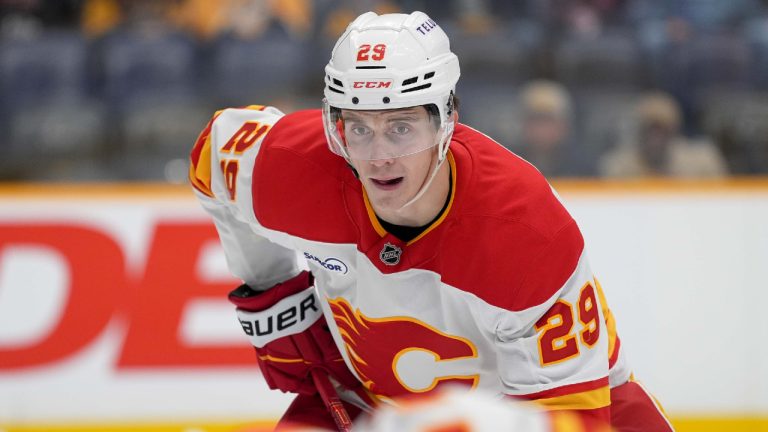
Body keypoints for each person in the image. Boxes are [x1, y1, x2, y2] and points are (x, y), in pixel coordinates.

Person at [189, 11, 674, 431]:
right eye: (358, 127)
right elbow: (214, 152)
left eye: (401, 127)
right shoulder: (294, 165)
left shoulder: (526, 234)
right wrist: (274, 292)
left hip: (552, 415)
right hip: (368, 401)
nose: (379, 156)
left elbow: (569, 419)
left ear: (446, 120)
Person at [598, 91, 727, 178]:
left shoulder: (702, 162)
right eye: (649, 131)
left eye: (662, 131)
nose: (655, 139)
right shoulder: (618, 166)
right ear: (638, 134)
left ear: (674, 133)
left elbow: (722, 201)